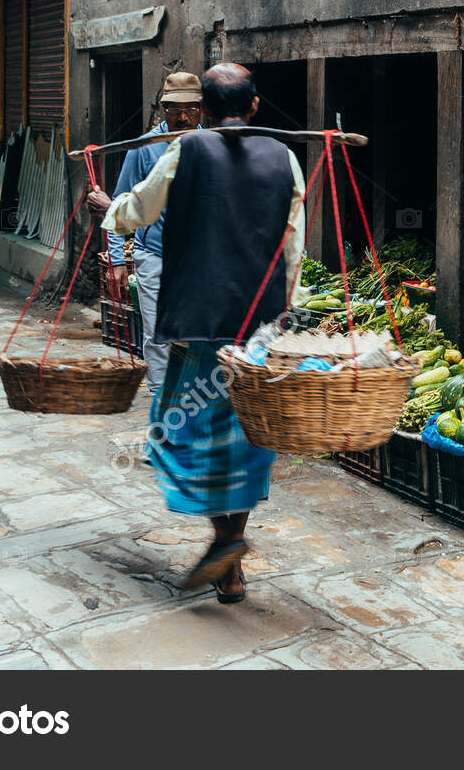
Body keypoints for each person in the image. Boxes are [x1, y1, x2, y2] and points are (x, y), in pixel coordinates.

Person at [90, 64, 305, 606]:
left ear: (204, 110)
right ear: (255, 107)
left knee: (185, 432)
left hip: (202, 323)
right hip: (257, 325)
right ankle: (230, 553)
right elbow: (293, 243)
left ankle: (226, 545)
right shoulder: (286, 158)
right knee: (246, 435)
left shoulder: (186, 151)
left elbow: (139, 206)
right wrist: (285, 313)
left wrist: (110, 214)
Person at [103, 72, 203, 398]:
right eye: (175, 109)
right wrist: (117, 260)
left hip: (199, 259)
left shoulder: (211, 143)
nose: (183, 117)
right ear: (163, 110)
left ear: (201, 110)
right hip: (154, 256)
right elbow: (119, 206)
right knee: (158, 333)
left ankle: (191, 395)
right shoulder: (144, 150)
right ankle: (161, 397)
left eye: (190, 109)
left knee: (197, 331)